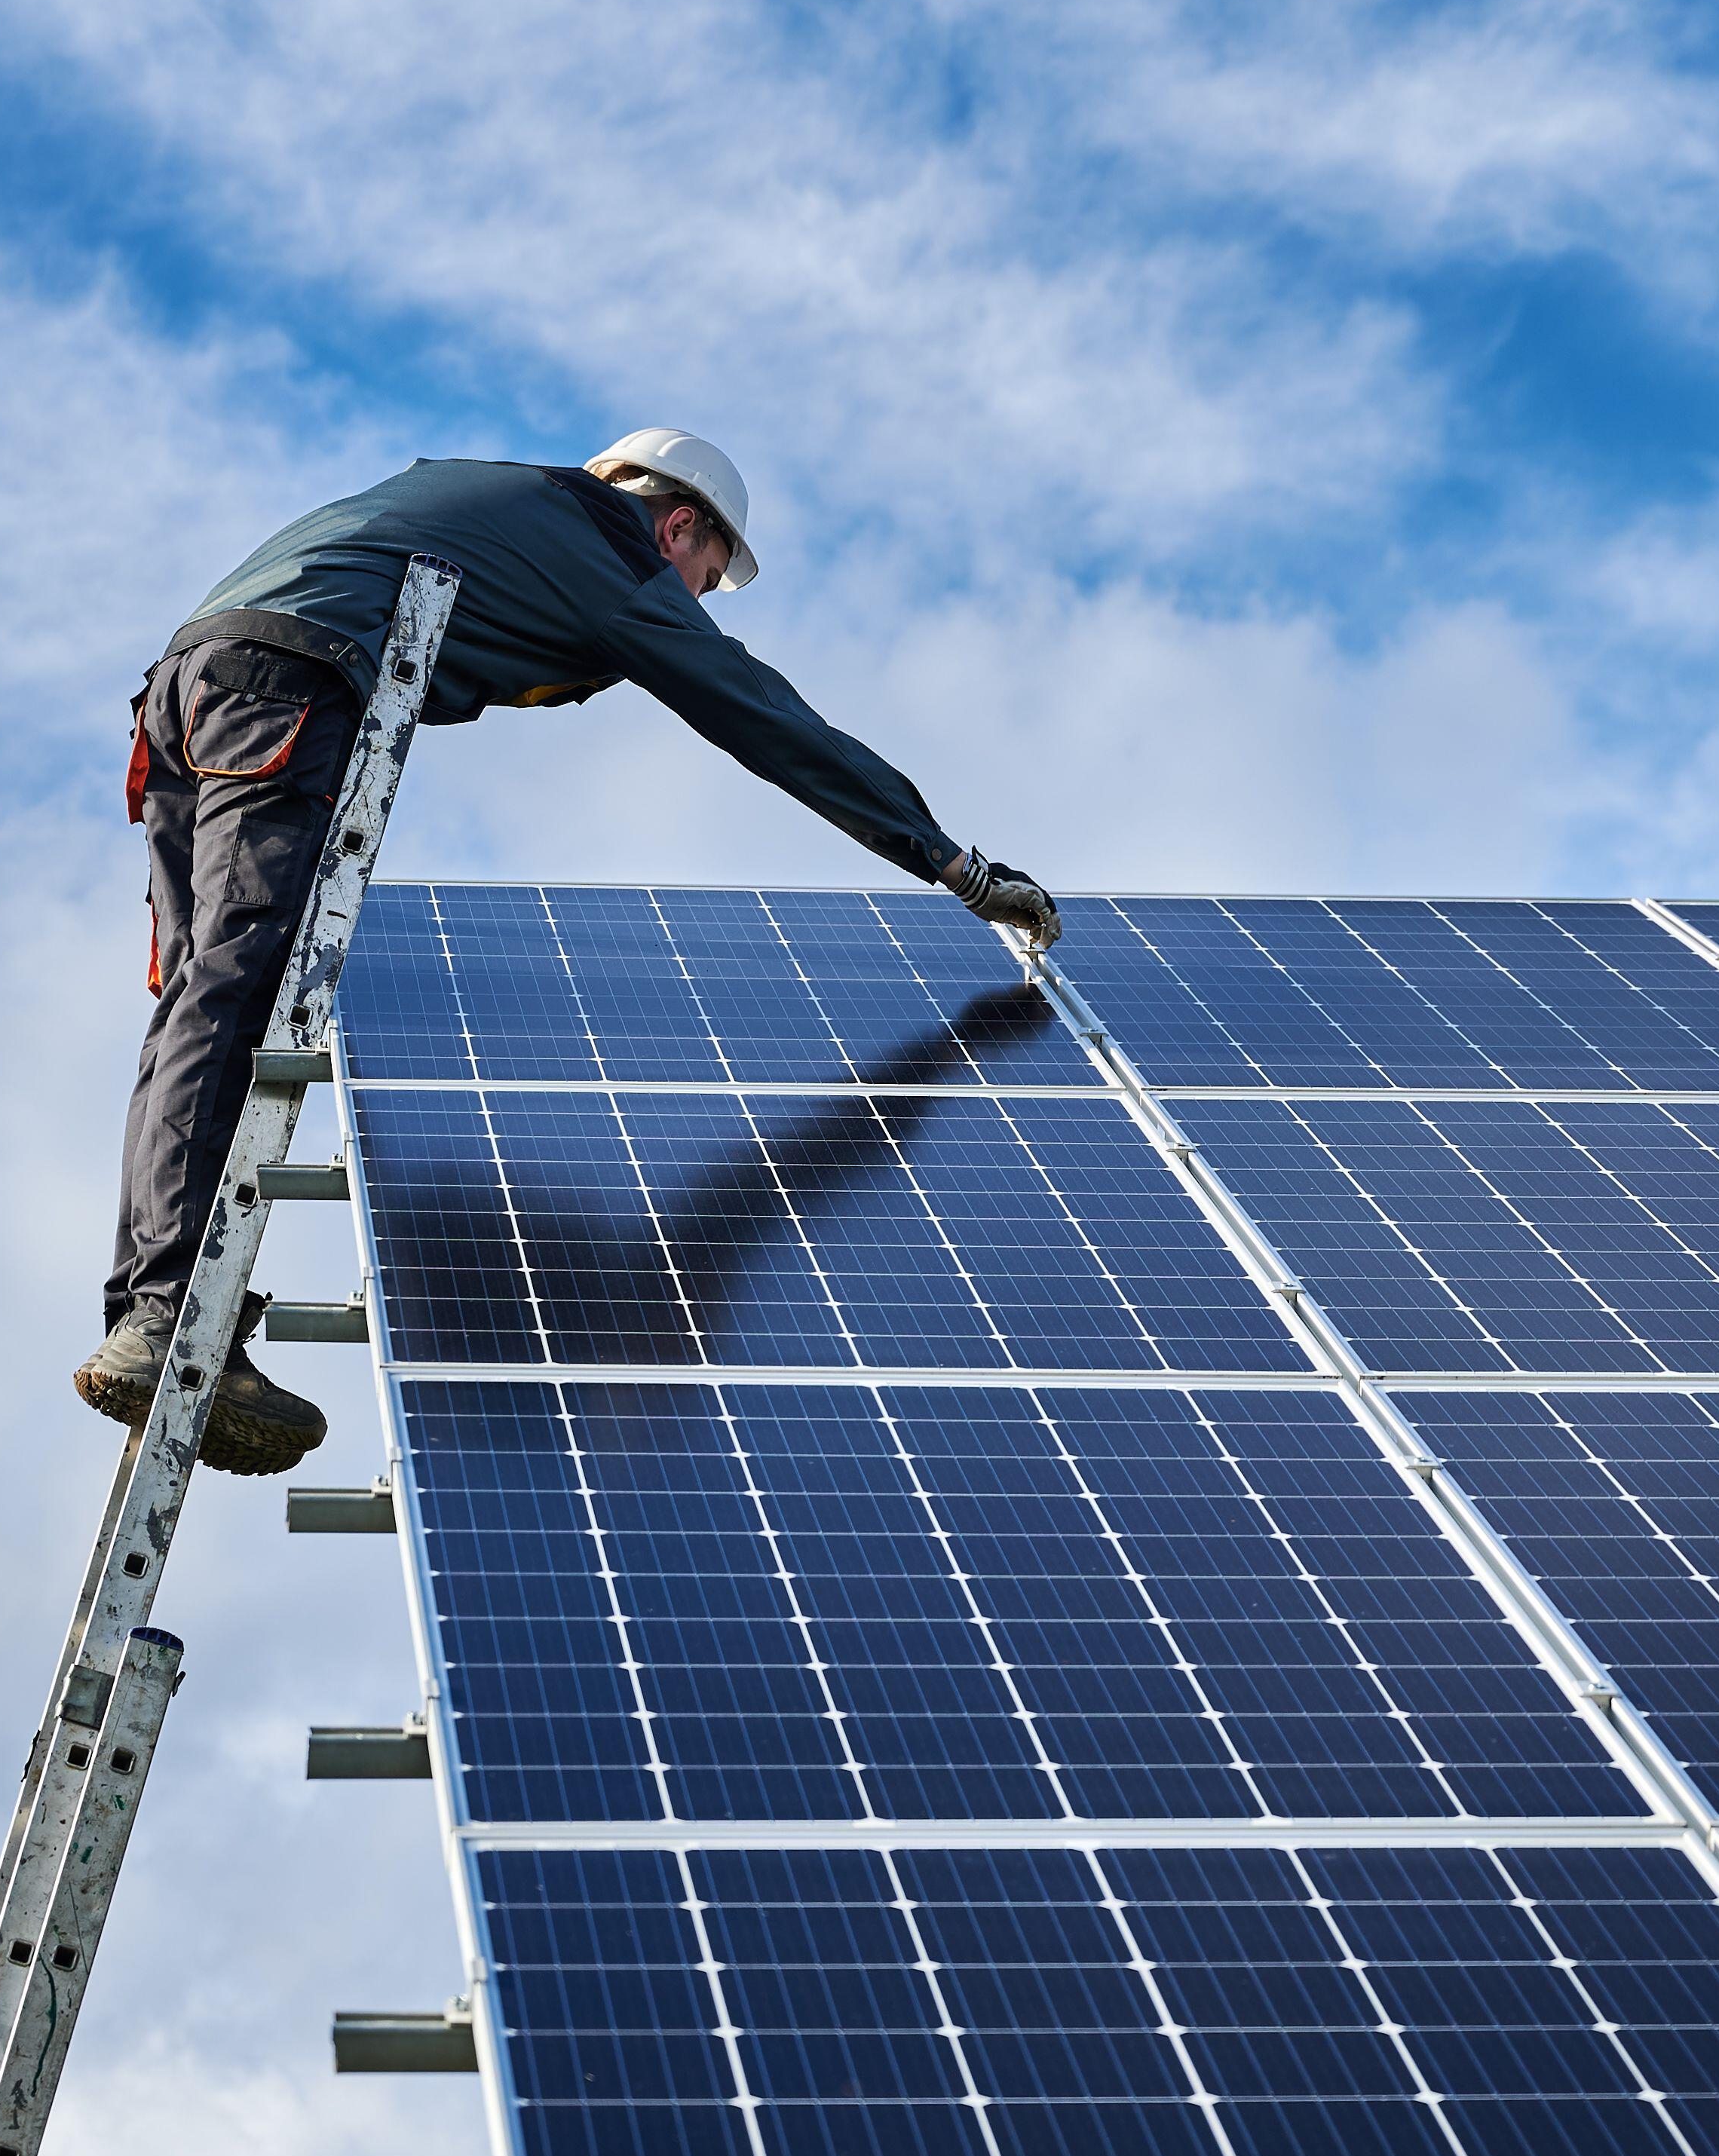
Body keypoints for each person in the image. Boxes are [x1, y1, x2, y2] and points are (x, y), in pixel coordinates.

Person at [75, 429, 1061, 1472]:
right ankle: (165, 1321)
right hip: (290, 683)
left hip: (193, 686)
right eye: (706, 576)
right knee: (240, 985)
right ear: (678, 525)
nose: (694, 596)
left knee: (212, 994)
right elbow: (759, 715)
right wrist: (945, 858)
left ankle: (164, 1312)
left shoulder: (504, 500)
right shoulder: (608, 550)